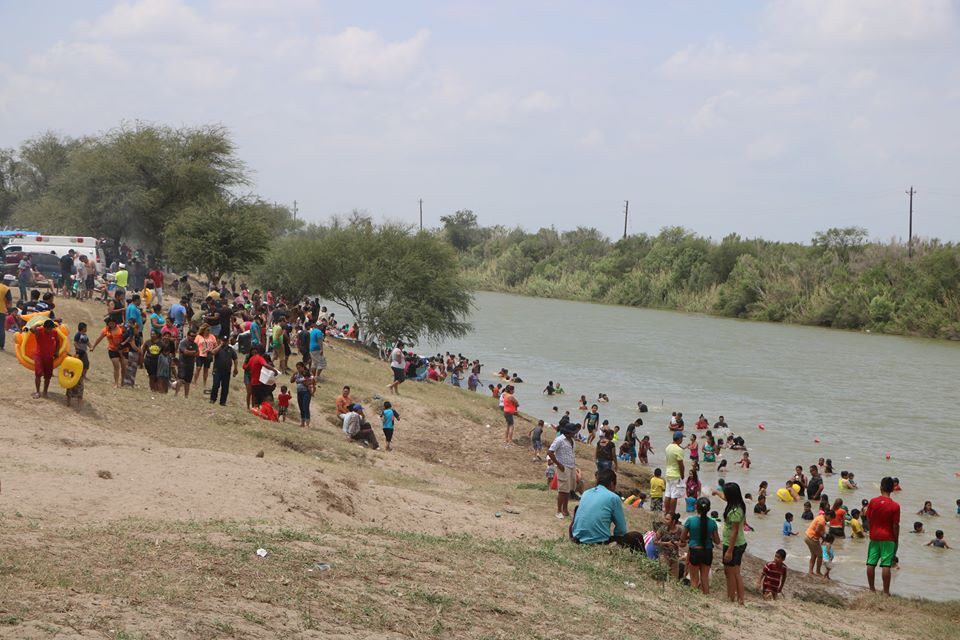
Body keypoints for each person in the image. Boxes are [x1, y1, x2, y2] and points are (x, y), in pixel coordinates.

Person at [570, 470, 639, 550]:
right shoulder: (613, 497)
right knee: (637, 536)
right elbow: (621, 529)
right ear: (612, 484)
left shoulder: (586, 493)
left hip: (577, 539)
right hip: (598, 542)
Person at [866, 476, 900, 596]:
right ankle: (886, 592)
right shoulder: (895, 506)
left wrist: (872, 531)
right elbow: (895, 525)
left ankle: (871, 589)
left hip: (874, 536)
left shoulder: (873, 501)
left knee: (871, 563)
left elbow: (868, 518)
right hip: (888, 537)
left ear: (880, 487)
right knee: (886, 564)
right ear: (892, 489)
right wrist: (896, 538)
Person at [682, 496, 721, 594]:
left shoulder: (690, 520)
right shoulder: (712, 523)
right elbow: (717, 541)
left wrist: (691, 537)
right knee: (705, 579)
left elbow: (682, 538)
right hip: (707, 552)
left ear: (696, 507)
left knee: (694, 580)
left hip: (695, 551)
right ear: (708, 509)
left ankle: (695, 600)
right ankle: (706, 598)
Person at [721, 481, 748, 605]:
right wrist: (716, 493)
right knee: (730, 572)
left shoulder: (735, 511)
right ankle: (734, 597)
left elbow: (735, 531)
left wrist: (729, 551)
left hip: (734, 545)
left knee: (733, 573)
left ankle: (735, 598)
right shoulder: (736, 505)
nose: (724, 495)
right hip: (736, 543)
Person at [548, 422, 579, 519]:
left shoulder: (572, 440)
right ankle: (558, 510)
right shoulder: (559, 440)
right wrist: (559, 464)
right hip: (563, 467)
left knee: (569, 490)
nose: (575, 433)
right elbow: (550, 452)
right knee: (562, 491)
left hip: (571, 467)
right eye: (573, 432)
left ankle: (565, 509)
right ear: (568, 432)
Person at [31, 319, 61, 398]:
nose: (49, 330)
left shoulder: (54, 332)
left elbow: (58, 342)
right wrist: (37, 324)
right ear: (44, 327)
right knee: (38, 374)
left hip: (49, 357)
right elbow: (31, 329)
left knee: (48, 376)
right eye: (47, 328)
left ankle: (45, 392)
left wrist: (57, 352)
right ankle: (37, 392)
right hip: (39, 356)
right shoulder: (40, 330)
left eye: (50, 328)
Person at [91, 318, 124, 387]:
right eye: (110, 323)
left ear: (115, 323)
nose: (111, 325)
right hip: (112, 350)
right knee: (116, 367)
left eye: (113, 323)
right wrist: (93, 346)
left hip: (123, 350)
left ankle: (122, 382)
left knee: (124, 367)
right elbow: (99, 338)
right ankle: (116, 383)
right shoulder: (106, 330)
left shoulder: (121, 328)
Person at [209, 334, 238, 405]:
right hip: (217, 370)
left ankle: (223, 401)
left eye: (226, 341)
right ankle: (213, 399)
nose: (224, 342)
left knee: (225, 387)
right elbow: (213, 352)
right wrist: (220, 346)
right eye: (223, 341)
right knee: (215, 385)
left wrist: (235, 368)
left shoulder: (231, 350)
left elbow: (235, 359)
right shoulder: (218, 349)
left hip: (226, 371)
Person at [664, 432, 685, 514]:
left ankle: (666, 512)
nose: (682, 440)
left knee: (667, 494)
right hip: (675, 474)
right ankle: (672, 513)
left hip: (668, 473)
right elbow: (681, 465)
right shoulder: (679, 449)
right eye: (682, 438)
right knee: (674, 496)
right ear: (679, 439)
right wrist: (682, 475)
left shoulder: (668, 447)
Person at [291, 362, 315, 428]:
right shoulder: (297, 374)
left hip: (306, 392)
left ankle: (307, 423)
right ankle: (302, 423)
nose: (298, 369)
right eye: (297, 368)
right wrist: (293, 375)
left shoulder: (308, 373)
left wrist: (304, 382)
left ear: (303, 367)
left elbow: (312, 381)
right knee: (301, 407)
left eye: (299, 368)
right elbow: (291, 381)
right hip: (299, 392)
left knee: (305, 407)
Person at [0, 275, 11, 351]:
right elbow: (9, 301)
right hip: (1, 310)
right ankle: (1, 345)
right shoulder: (6, 289)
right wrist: (9, 310)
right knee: (1, 328)